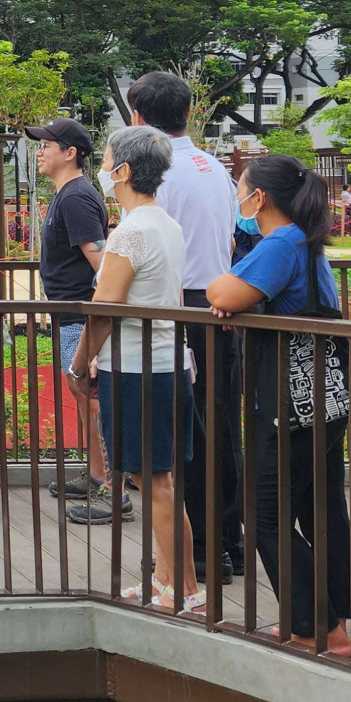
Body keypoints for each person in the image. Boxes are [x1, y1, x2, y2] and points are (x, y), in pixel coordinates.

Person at [207, 155, 351, 652]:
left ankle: (320, 628)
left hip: (287, 401)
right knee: (320, 505)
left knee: (265, 514)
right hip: (322, 397)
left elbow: (221, 288)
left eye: (241, 190)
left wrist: (231, 295)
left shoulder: (280, 242)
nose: (239, 200)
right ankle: (330, 616)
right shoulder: (302, 240)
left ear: (259, 198)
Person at [70, 125, 199, 610]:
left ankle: (182, 588)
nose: (102, 169)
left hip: (139, 368)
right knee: (158, 479)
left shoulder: (130, 232)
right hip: (167, 364)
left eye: (105, 161)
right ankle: (169, 581)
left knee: (153, 480)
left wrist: (80, 364)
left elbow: (104, 306)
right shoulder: (165, 224)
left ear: (122, 171)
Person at [126, 70, 243, 583]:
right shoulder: (213, 166)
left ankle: (196, 553)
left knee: (184, 436)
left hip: (181, 307)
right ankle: (227, 542)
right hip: (221, 303)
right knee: (220, 429)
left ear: (137, 118)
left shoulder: (160, 177)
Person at [25, 117, 126, 521]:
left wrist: (95, 318)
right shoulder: (69, 194)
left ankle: (111, 487)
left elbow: (101, 264)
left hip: (81, 312)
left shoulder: (76, 197)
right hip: (70, 311)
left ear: (70, 153)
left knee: (91, 393)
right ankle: (98, 475)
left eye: (45, 144)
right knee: (83, 390)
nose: (39, 151)